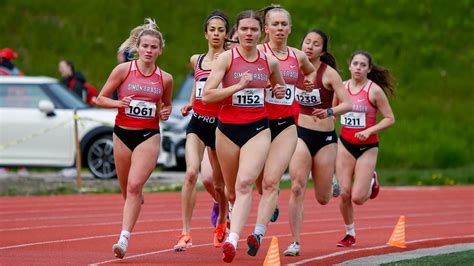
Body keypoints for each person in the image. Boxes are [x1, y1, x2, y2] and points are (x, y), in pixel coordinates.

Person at [202, 10, 286, 263]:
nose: (248, 34)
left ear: (261, 32)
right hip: (227, 129)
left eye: (253, 29)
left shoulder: (269, 62)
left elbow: (278, 89)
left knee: (244, 183)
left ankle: (232, 239)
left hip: (258, 129)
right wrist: (238, 87)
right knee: (230, 192)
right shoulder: (227, 58)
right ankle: (235, 224)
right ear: (236, 33)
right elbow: (207, 95)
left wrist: (278, 91)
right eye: (244, 29)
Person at [95, 18, 173, 259]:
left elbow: (166, 105)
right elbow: (100, 98)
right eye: (145, 46)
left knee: (134, 185)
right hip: (122, 133)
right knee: (126, 192)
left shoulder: (165, 78)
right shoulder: (123, 70)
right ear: (137, 48)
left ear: (160, 50)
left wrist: (165, 111)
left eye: (153, 47)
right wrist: (119, 103)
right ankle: (135, 200)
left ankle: (123, 239)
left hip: (148, 136)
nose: (149, 51)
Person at [245, 5, 316, 257]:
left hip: (285, 126)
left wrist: (307, 84)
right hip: (257, 124)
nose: (279, 28)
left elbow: (310, 72)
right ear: (266, 29)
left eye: (284, 24)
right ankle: (269, 202)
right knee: (256, 180)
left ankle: (258, 233)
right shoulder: (258, 53)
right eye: (275, 24)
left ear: (290, 28)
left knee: (271, 181)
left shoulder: (298, 56)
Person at [283, 29, 352, 256]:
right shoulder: (293, 69)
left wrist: (330, 110)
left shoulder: (328, 73)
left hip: (325, 139)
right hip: (300, 133)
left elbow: (348, 104)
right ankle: (294, 242)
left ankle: (330, 180)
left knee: (323, 198)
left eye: (316, 44)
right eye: (307, 42)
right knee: (296, 186)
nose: (310, 47)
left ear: (323, 50)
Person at [174, 10, 229, 251]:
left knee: (218, 185)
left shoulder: (230, 59)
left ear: (226, 34)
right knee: (191, 173)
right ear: (205, 33)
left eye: (221, 29)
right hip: (197, 122)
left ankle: (222, 221)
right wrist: (190, 102)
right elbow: (199, 84)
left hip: (220, 125)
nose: (216, 34)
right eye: (212, 29)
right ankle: (185, 232)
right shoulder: (196, 59)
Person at [335, 50, 395, 247]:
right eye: (356, 64)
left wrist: (370, 131)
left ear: (369, 69)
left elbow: (389, 119)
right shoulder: (342, 87)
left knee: (358, 198)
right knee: (344, 193)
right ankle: (349, 233)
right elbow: (333, 111)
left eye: (363, 65)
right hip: (345, 143)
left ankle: (371, 179)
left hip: (367, 147)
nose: (358, 68)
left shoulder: (374, 90)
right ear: (350, 66)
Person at [0, 48, 28, 177]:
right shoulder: (19, 74)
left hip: (6, 111)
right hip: (19, 110)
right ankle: (20, 166)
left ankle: (5, 166)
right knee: (20, 137)